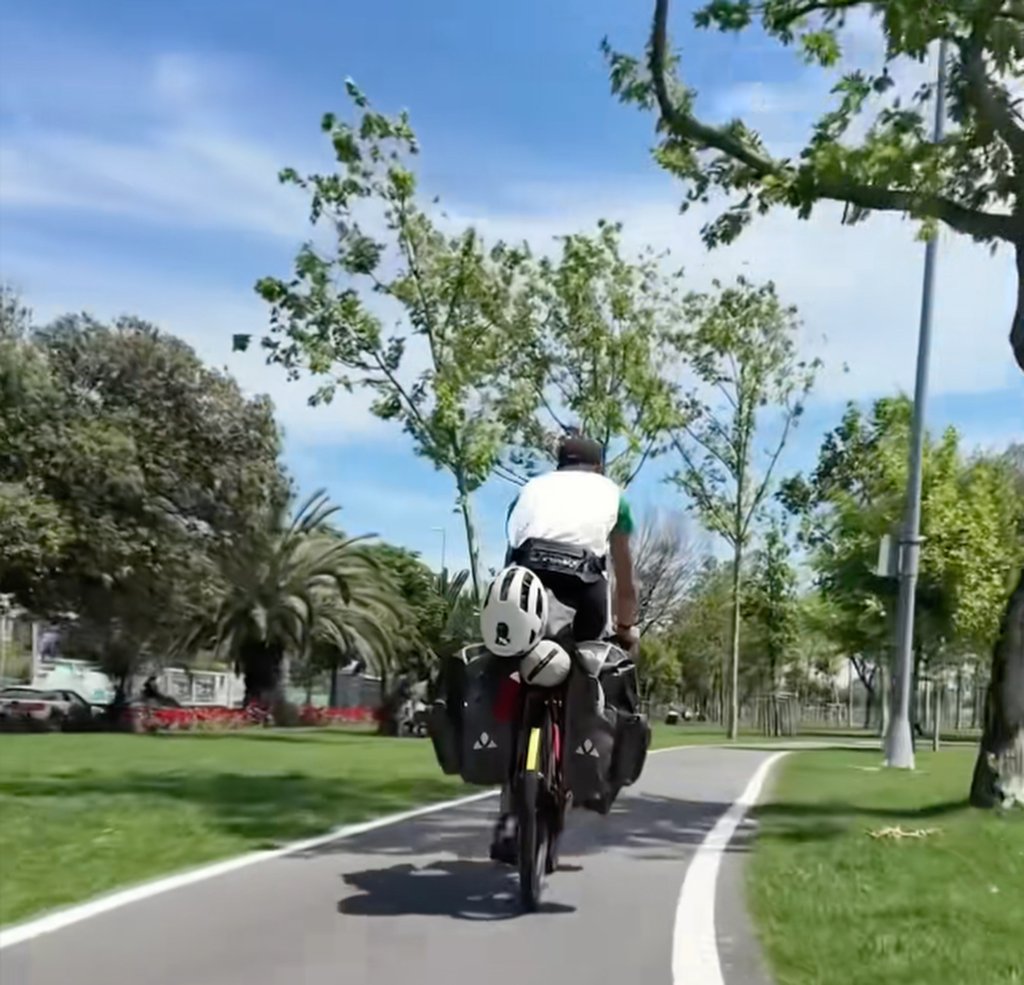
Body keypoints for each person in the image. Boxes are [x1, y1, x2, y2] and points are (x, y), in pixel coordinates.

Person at [488, 431, 639, 864]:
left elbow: (511, 553)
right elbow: (624, 575)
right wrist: (626, 626)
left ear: (559, 464)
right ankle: (589, 769)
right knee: (591, 672)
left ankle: (509, 811)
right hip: (585, 581)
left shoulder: (529, 490)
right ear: (599, 466)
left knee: (516, 677)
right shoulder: (614, 496)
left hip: (525, 575)